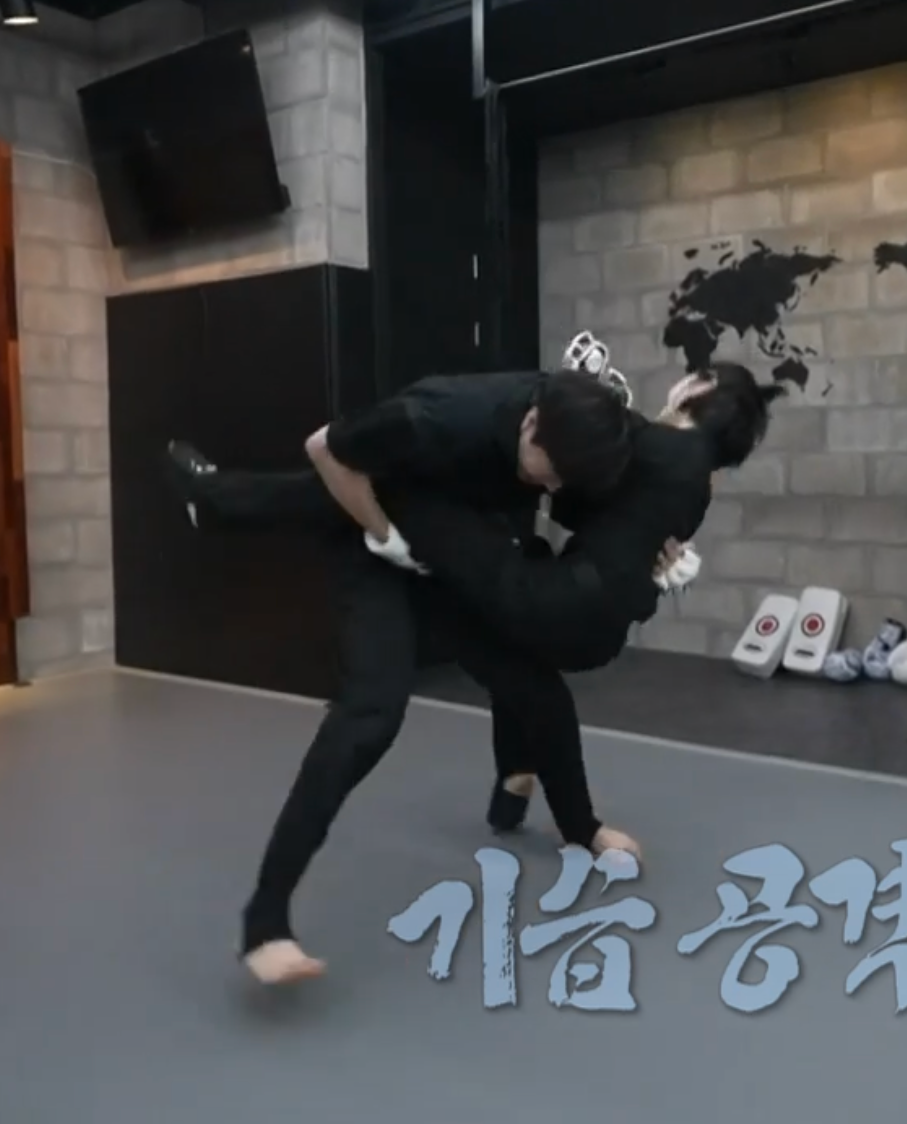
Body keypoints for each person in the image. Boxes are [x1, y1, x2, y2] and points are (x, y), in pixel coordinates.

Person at [171, 348, 787, 843]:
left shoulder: (653, 443)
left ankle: (219, 498)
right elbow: (586, 510)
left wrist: (576, 391)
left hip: (546, 596)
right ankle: (525, 793)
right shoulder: (693, 488)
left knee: (390, 491)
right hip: (590, 633)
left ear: (699, 387)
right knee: (530, 684)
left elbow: (584, 464)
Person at [202, 367, 637, 986]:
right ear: (531, 423)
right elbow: (324, 450)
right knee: (371, 715)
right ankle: (265, 921)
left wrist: (661, 545)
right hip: (372, 539)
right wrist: (384, 536)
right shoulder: (436, 415)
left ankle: (580, 827)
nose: (552, 486)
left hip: (443, 551)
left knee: (537, 689)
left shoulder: (577, 422)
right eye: (550, 471)